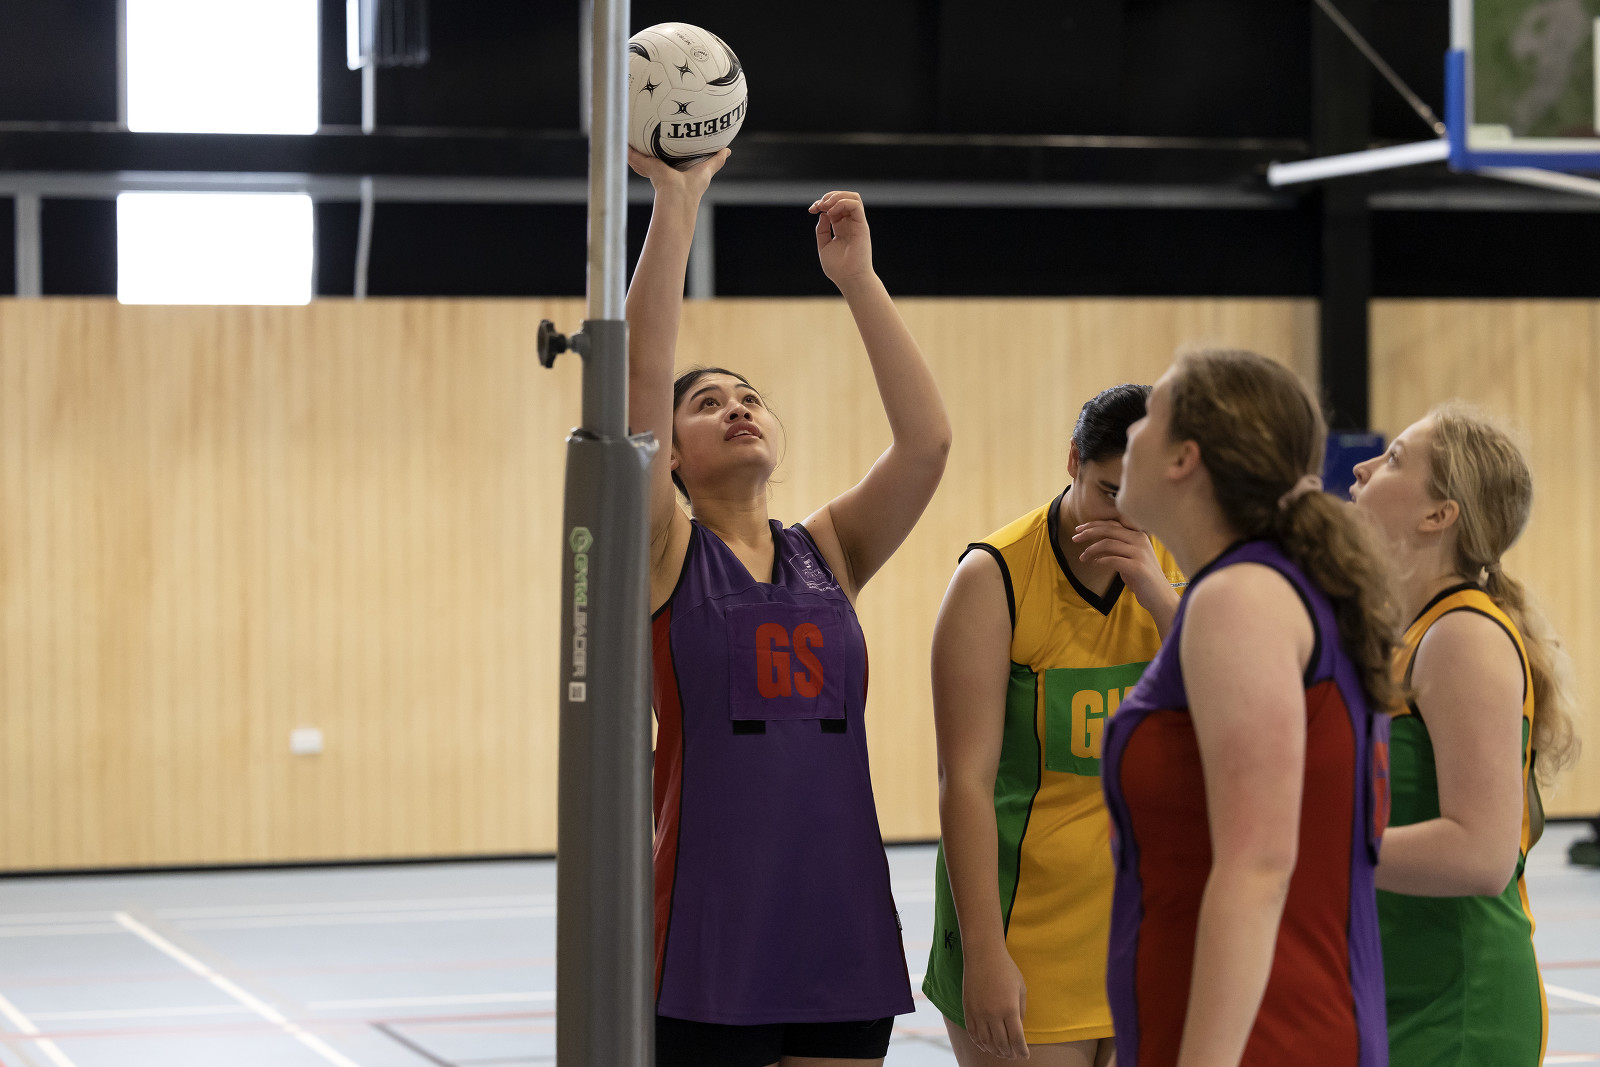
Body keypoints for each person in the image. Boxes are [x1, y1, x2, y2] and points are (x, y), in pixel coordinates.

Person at [627, 146, 952, 1067]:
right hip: (712, 926)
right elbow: (639, 384)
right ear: (672, 456)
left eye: (751, 399)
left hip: (839, 916)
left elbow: (926, 443)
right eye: (708, 404)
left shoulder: (830, 551)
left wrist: (860, 280)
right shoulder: (666, 553)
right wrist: (676, 203)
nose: (738, 409)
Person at [1101, 348, 1397, 1067]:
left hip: (1265, 1036)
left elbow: (1259, 866)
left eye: (1149, 418)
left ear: (1185, 458)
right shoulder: (1272, 587)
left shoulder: (1242, 599)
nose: (1131, 433)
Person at [923, 384, 1182, 1067]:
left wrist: (1157, 595)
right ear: (1073, 461)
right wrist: (984, 953)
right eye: (1110, 493)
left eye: (1147, 499)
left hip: (1141, 923)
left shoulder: (1180, 563)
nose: (1128, 519)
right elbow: (964, 782)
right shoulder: (994, 577)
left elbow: (1234, 708)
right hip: (1022, 927)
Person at [1350, 403, 1579, 1067]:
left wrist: (1319, 848)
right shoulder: (1404, 630)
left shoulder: (1463, 637)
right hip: (1394, 985)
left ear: (1439, 514)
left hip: (1458, 1009)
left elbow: (1481, 854)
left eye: (1394, 459)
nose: (1363, 468)